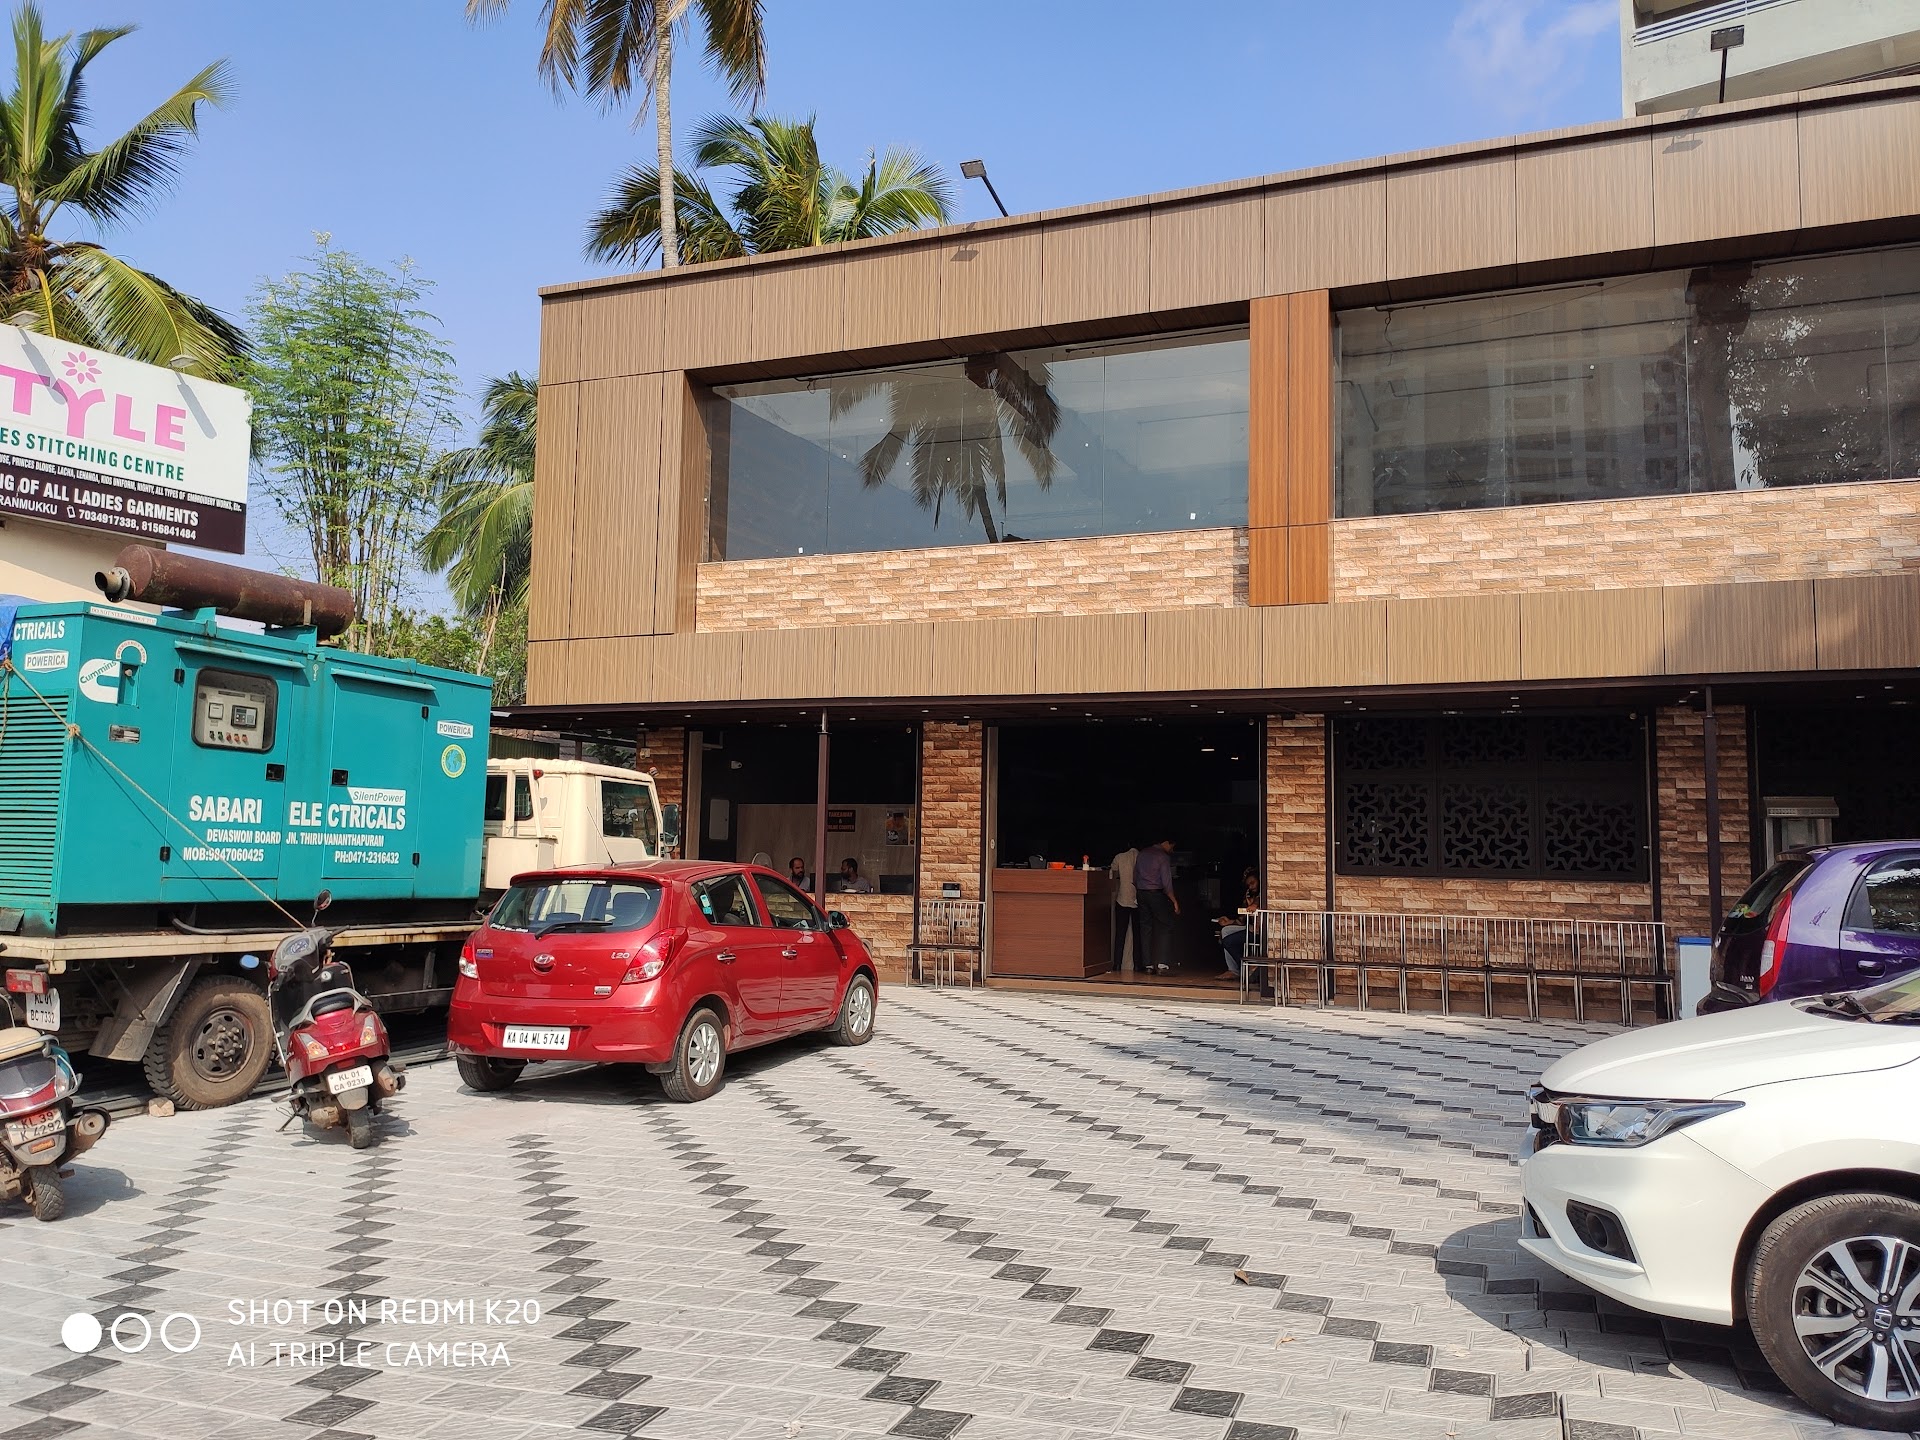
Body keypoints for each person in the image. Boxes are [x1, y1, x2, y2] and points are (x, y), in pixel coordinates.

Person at [1134, 838, 1179, 976]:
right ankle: (1162, 964)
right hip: (1156, 893)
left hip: (1141, 893)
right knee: (1166, 925)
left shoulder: (1142, 853)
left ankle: (1148, 965)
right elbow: (1166, 883)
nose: (1172, 850)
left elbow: (1134, 877)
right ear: (1166, 842)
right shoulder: (1162, 856)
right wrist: (1174, 900)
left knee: (1145, 928)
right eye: (1172, 847)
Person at [1215, 867, 1262, 981]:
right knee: (1225, 930)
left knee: (1228, 941)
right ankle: (1234, 970)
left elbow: (1258, 901)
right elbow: (1242, 919)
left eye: (1253, 883)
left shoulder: (1264, 892)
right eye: (1248, 885)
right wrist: (1229, 922)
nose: (1251, 887)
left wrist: (1254, 905)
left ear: (1259, 880)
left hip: (1260, 930)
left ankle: (1246, 966)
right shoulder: (1249, 895)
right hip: (1250, 927)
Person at [1110, 845, 1142, 973]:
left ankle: (1117, 964)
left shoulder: (1119, 857)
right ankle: (1138, 964)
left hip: (1122, 898)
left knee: (1120, 933)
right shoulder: (1142, 857)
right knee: (1138, 934)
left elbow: (1112, 874)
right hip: (1138, 899)